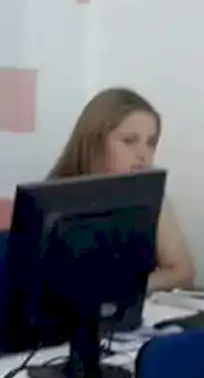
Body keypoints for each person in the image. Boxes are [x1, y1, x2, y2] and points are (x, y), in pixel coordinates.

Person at [49, 87, 195, 293]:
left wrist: (124, 289)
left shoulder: (149, 191)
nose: (143, 155)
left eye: (151, 143)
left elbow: (183, 272)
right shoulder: (50, 199)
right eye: (129, 141)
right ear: (94, 142)